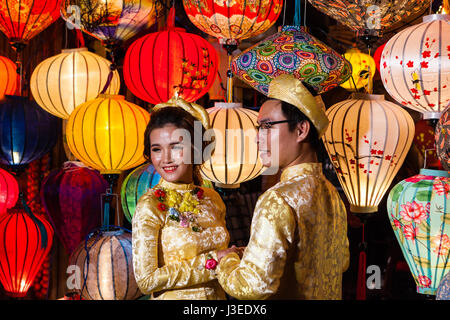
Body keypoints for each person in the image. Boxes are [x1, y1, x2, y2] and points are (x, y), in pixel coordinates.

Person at [216, 73, 350, 300]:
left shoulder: (278, 199)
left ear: (301, 130)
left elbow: (253, 287)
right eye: (258, 128)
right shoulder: (331, 193)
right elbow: (341, 261)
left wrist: (226, 261)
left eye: (267, 126)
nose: (258, 138)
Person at [132, 96, 230, 300]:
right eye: (157, 149)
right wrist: (212, 261)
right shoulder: (151, 206)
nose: (166, 158)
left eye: (176, 146)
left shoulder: (212, 199)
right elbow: (146, 280)